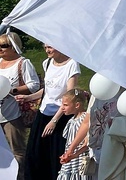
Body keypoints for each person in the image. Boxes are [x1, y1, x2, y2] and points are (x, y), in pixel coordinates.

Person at [20, 45, 80, 180]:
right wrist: (29, 97)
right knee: (36, 153)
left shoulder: (72, 64)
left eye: (50, 47)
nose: (47, 50)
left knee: (56, 154)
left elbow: (69, 96)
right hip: (43, 114)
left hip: (61, 116)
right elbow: (47, 90)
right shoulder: (46, 63)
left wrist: (54, 120)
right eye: (45, 47)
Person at [0, 31, 41, 180]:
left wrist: (12, 90)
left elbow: (34, 85)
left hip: (12, 114)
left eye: (3, 45)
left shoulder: (23, 63)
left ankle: (20, 176)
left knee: (16, 150)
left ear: (14, 46)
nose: (0, 49)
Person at [57, 89, 89, 180]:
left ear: (77, 105)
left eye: (65, 105)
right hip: (70, 160)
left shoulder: (84, 119)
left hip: (80, 161)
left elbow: (86, 142)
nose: (62, 107)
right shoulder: (71, 120)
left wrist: (75, 154)